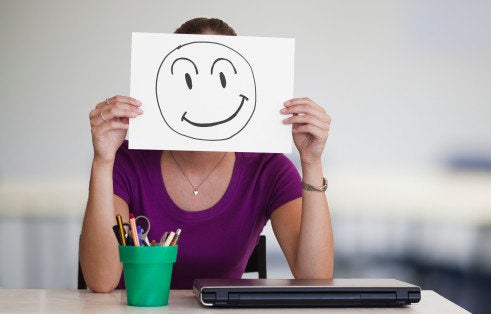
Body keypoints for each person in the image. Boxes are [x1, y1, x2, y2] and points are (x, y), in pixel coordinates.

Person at [79, 17, 333, 292]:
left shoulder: (269, 169)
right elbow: (100, 282)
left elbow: (315, 279)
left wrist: (312, 162)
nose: (206, 98)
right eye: (188, 79)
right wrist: (103, 161)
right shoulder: (126, 162)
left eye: (222, 80)